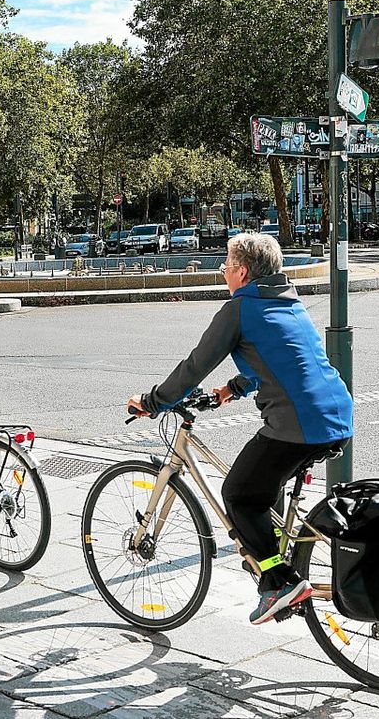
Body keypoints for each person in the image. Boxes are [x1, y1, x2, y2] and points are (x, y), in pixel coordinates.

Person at [127, 233, 353, 625]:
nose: (224, 273)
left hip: (297, 424)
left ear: (243, 272)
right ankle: (275, 555)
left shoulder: (239, 309)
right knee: (262, 485)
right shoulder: (288, 301)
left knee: (238, 494)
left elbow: (194, 367)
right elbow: (277, 357)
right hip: (338, 414)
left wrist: (153, 402)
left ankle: (278, 583)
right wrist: (232, 389)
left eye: (226, 267)